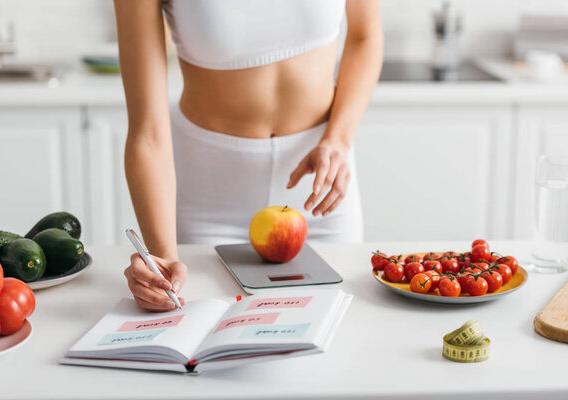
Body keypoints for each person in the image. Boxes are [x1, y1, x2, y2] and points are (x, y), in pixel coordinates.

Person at [114, 0, 383, 311]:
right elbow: (147, 134)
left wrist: (338, 139)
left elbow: (366, 36)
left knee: (336, 334)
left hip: (320, 189)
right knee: (197, 336)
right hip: (208, 199)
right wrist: (163, 262)